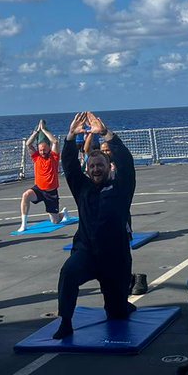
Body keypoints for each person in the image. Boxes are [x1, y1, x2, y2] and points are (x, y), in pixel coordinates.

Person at [53, 112, 136, 339]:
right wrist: (70, 137)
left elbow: (127, 163)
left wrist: (105, 134)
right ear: (87, 170)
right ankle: (66, 321)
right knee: (69, 272)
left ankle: (121, 303)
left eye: (100, 165)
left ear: (109, 167)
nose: (96, 169)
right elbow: (69, 166)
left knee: (117, 315)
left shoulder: (121, 188)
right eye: (92, 166)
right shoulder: (83, 188)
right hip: (87, 253)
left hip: (115, 258)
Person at [19, 120, 67, 231]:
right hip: (39, 189)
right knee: (26, 195)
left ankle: (62, 214)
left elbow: (55, 142)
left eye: (44, 149)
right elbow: (28, 144)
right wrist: (37, 131)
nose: (42, 152)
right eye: (40, 150)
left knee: (55, 221)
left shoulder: (54, 157)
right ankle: (24, 224)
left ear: (49, 148)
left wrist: (44, 130)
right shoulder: (36, 157)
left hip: (51, 192)